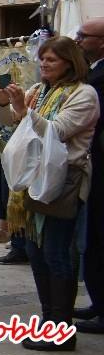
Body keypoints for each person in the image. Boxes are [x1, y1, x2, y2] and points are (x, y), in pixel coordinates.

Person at [0, 36, 99, 351]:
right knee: (37, 253)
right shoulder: (39, 92)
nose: (43, 65)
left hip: (62, 181)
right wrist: (4, 104)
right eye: (41, 60)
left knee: (56, 252)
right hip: (32, 180)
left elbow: (56, 131)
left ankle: (62, 329)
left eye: (51, 60)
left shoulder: (85, 94)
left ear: (70, 62)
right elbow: (9, 127)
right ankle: (49, 318)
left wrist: (23, 111)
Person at [76, 18, 104, 334]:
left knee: (97, 238)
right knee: (93, 239)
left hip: (96, 163)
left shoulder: (97, 81)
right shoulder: (93, 75)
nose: (80, 39)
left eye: (85, 36)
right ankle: (98, 302)